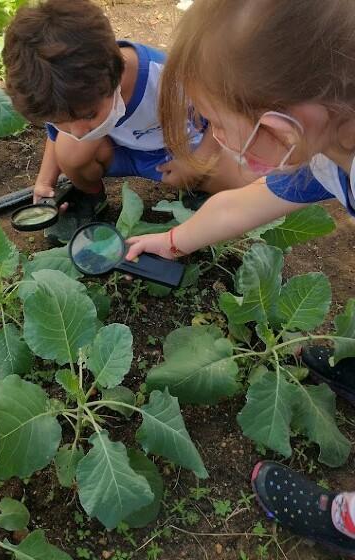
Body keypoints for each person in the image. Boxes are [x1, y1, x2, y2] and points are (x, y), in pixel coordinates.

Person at [121, 0, 355, 554]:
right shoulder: (328, 139)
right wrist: (172, 241)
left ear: (277, 128)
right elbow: (249, 203)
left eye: (216, 124)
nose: (214, 139)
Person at [2, 0, 252, 244]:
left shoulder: (167, 76)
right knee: (68, 150)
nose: (78, 130)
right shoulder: (65, 96)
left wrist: (196, 163)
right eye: (61, 122)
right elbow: (55, 136)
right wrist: (45, 183)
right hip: (117, 149)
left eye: (89, 115)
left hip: (178, 147)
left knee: (244, 182)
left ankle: (197, 189)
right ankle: (91, 197)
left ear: (114, 76)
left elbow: (223, 114)